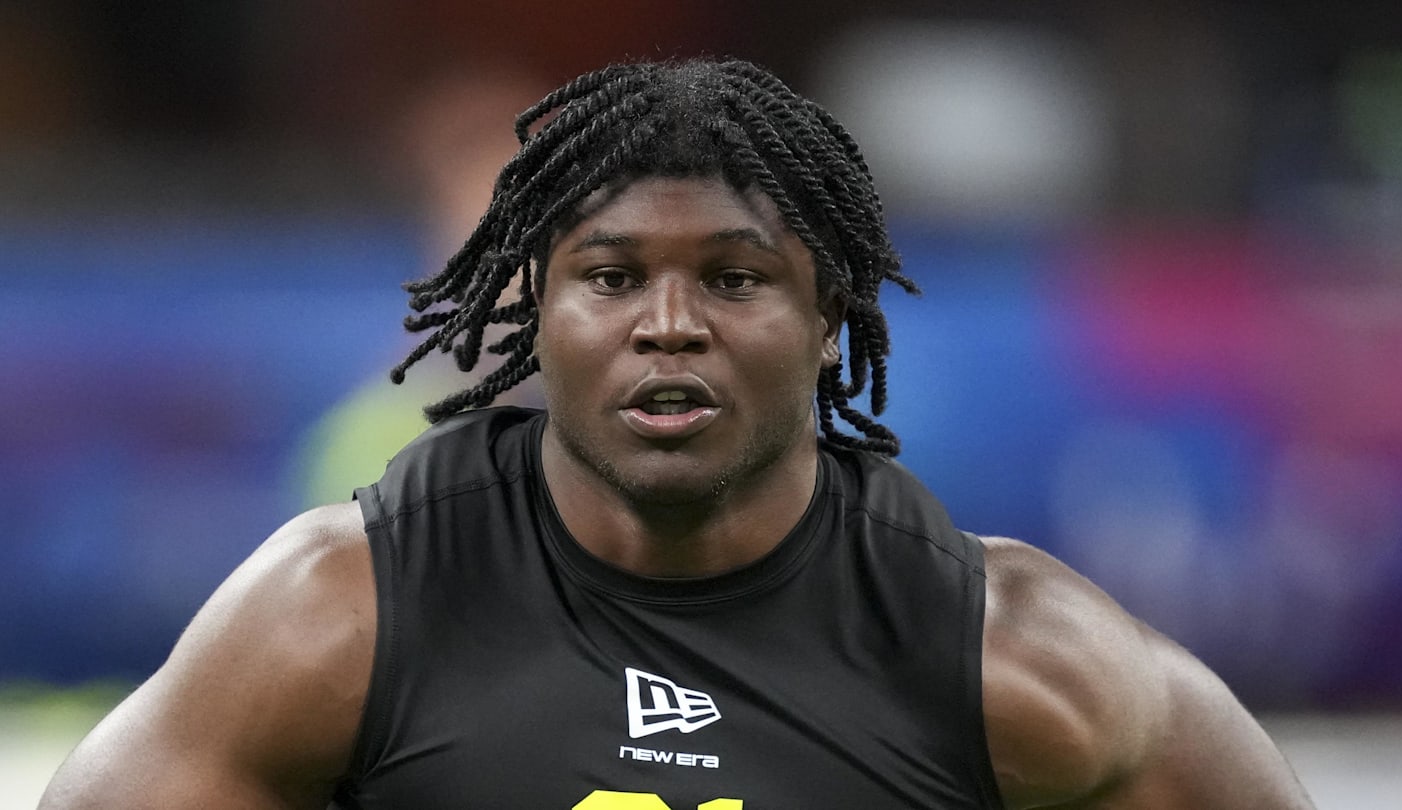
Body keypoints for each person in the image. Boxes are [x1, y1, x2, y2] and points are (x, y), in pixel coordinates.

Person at [41, 59, 1314, 809]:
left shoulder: (1009, 654)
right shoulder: (340, 615)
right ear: (534, 312)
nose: (668, 325)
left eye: (735, 279)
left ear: (830, 320)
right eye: (610, 277)